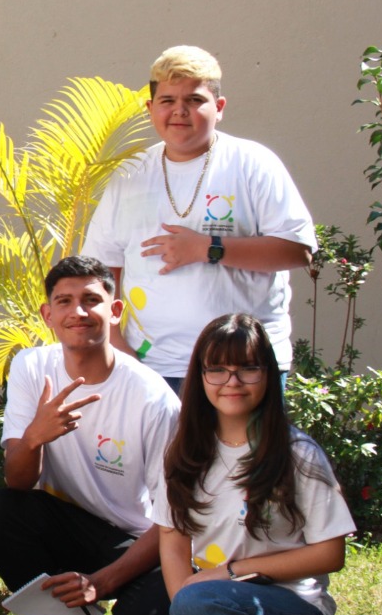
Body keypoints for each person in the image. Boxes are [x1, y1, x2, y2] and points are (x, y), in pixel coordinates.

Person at [117, 313, 356, 615]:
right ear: (200, 376)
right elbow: (172, 543)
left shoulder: (296, 453)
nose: (233, 381)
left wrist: (232, 572)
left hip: (291, 609)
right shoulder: (184, 453)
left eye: (248, 367)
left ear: (267, 374)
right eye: (218, 369)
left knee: (200, 599)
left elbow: (330, 555)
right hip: (207, 607)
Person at [0, 256, 180, 615]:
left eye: (91, 299)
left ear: (114, 310)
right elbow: (18, 482)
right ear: (48, 315)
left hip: (138, 539)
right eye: (64, 301)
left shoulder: (153, 399)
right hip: (66, 523)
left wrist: (100, 583)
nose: (78, 312)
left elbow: (172, 521)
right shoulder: (32, 367)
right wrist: (35, 436)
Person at [81, 45, 315, 394]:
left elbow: (298, 251)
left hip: (243, 368)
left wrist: (209, 248)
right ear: (150, 109)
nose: (179, 111)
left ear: (218, 108)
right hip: (152, 369)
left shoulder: (252, 164)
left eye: (194, 100)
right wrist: (119, 350)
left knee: (246, 452)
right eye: (167, 101)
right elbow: (100, 272)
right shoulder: (129, 175)